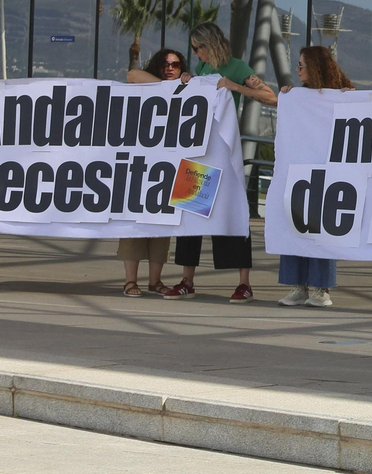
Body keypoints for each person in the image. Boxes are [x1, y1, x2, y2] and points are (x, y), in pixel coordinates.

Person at [135, 23, 273, 302]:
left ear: (210, 45)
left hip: (225, 154)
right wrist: (190, 82)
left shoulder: (235, 67)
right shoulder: (201, 71)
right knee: (191, 216)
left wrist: (234, 86)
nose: (195, 54)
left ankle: (244, 282)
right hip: (199, 154)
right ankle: (187, 279)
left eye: (198, 48)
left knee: (234, 214)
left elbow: (270, 96)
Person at [276, 47, 353, 309]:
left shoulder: (343, 94)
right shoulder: (298, 96)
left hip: (328, 175)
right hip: (299, 172)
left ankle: (321, 288)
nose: (297, 71)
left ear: (316, 68)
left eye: (301, 66)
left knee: (321, 231)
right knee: (295, 225)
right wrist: (289, 98)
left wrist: (354, 99)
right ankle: (298, 286)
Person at [118, 48, 185, 296]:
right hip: (141, 165)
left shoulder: (188, 89)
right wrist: (169, 87)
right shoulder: (148, 84)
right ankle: (130, 281)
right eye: (165, 64)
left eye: (175, 65)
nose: (170, 68)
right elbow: (132, 75)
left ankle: (155, 281)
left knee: (161, 227)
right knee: (134, 226)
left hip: (170, 168)